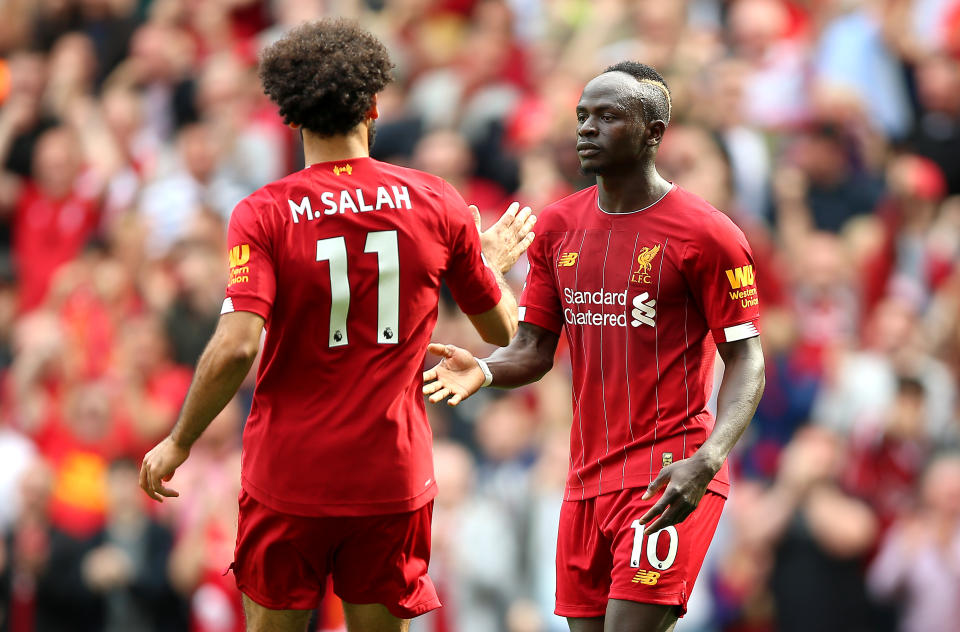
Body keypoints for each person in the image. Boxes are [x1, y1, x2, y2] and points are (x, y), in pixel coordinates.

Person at [138, 19, 535, 632]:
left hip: (288, 474)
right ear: (375, 107)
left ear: (290, 118)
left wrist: (181, 440)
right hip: (391, 474)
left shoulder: (262, 213)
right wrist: (487, 263)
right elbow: (502, 330)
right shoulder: (436, 200)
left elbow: (237, 345)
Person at [424, 62, 766, 632]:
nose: (586, 128)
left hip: (667, 472)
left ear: (654, 133)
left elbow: (747, 357)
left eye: (608, 116)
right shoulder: (557, 226)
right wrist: (483, 370)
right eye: (582, 115)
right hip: (583, 482)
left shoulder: (708, 235)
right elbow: (533, 349)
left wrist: (708, 459)